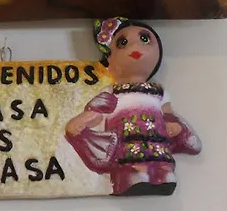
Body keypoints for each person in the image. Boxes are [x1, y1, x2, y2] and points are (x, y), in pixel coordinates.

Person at [65, 17, 202, 196]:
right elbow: (98, 112)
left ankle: (164, 176)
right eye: (123, 43)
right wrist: (83, 120)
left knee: (159, 158)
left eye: (144, 39)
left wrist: (172, 123)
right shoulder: (112, 92)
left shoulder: (158, 92)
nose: (135, 47)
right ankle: (134, 178)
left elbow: (167, 112)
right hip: (126, 138)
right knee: (131, 162)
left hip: (155, 136)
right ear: (109, 59)